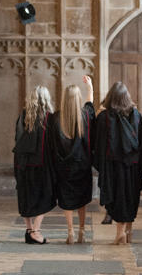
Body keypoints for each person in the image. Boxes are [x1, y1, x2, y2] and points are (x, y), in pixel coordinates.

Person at [93, 81, 142, 244]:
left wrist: (100, 165)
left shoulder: (104, 117)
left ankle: (119, 233)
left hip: (113, 166)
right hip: (133, 165)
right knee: (130, 197)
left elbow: (98, 144)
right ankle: (128, 230)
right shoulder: (136, 115)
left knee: (117, 198)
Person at [47, 75, 96, 244]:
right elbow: (90, 105)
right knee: (81, 198)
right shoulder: (86, 116)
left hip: (63, 166)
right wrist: (90, 87)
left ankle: (70, 232)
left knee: (67, 199)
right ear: (78, 99)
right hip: (81, 165)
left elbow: (50, 144)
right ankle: (82, 231)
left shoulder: (55, 118)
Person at [13, 85, 56, 244]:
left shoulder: (22, 116)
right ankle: (36, 232)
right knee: (45, 197)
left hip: (23, 164)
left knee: (26, 196)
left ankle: (29, 229)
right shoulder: (48, 118)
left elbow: (17, 140)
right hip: (41, 165)